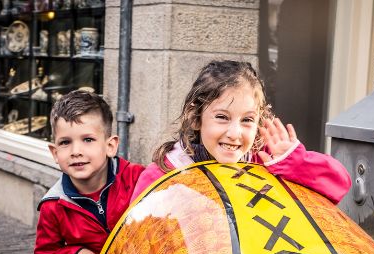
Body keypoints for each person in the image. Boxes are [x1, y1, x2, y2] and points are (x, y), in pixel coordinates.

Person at [133, 60, 351, 204]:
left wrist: (295, 163)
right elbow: (132, 236)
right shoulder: (163, 174)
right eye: (222, 117)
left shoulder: (266, 162)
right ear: (196, 118)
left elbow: (339, 185)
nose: (235, 133)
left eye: (247, 120)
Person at [33, 90, 145, 254]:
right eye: (65, 142)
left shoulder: (138, 179)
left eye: (88, 140)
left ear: (110, 146)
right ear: (55, 153)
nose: (76, 151)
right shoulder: (54, 205)